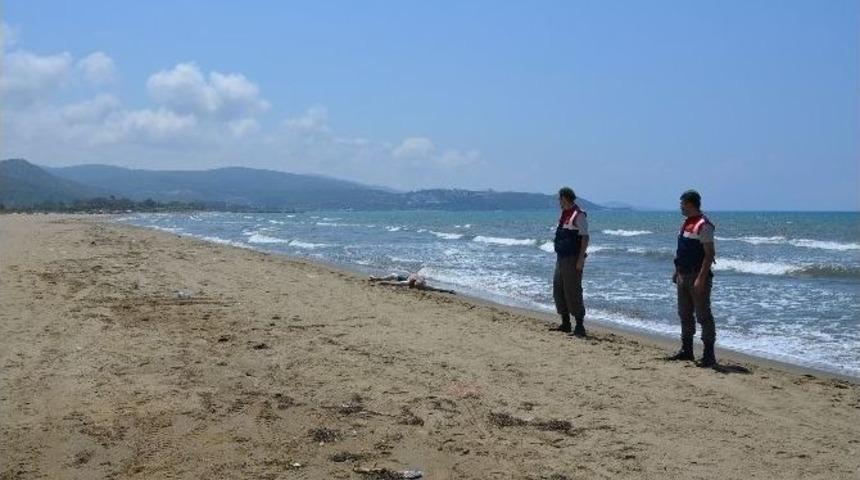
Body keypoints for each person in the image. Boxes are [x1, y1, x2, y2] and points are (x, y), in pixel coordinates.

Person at [666, 189, 718, 367]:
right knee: (684, 314)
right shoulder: (686, 223)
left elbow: (709, 254)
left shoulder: (704, 225)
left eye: (682, 203)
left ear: (690, 203)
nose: (680, 206)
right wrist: (676, 271)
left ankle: (709, 355)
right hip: (682, 274)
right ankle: (686, 350)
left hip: (697, 275)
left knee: (703, 315)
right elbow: (681, 251)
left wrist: (701, 278)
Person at [551, 187, 589, 337]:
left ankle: (579, 325)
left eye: (559, 199)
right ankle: (565, 323)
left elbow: (585, 237)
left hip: (572, 259)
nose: (558, 202)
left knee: (572, 290)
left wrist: (580, 260)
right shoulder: (564, 214)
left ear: (564, 198)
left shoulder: (578, 215)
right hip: (561, 258)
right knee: (558, 289)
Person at [368, 272, 456, 294]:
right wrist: (381, 282)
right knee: (393, 275)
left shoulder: (424, 286)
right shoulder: (409, 282)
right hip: (407, 277)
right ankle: (376, 278)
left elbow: (437, 289)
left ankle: (376, 279)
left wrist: (449, 291)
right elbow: (392, 283)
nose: (416, 287)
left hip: (408, 278)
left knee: (393, 276)